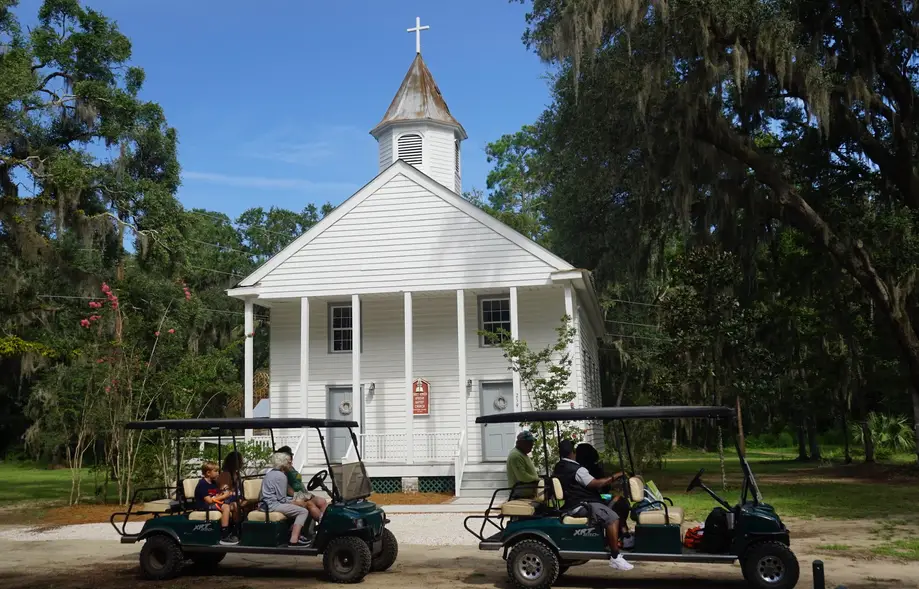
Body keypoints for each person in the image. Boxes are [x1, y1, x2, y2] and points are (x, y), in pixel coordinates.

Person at [553, 440, 633, 571]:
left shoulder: (559, 466)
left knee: (617, 503)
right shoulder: (578, 470)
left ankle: (619, 538)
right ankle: (615, 556)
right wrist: (616, 475)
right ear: (572, 453)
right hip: (581, 504)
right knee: (612, 517)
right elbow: (596, 484)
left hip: (572, 502)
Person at [576, 442, 633, 548]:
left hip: (600, 496)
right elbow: (601, 486)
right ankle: (623, 533)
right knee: (618, 500)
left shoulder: (589, 468)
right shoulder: (583, 471)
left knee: (619, 499)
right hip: (594, 497)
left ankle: (623, 532)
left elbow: (606, 488)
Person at [260, 452, 311, 546]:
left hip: (267, 503)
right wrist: (296, 502)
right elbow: (282, 499)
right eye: (288, 462)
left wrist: (298, 499)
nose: (290, 464)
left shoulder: (271, 473)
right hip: (272, 505)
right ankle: (294, 540)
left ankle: (294, 533)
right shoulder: (281, 476)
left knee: (302, 504)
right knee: (303, 511)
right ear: (283, 464)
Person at [277, 445, 328, 520]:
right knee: (310, 504)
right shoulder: (283, 472)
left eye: (291, 456)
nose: (291, 459)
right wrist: (305, 496)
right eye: (288, 457)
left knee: (322, 501)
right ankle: (322, 524)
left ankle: (324, 521)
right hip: (293, 497)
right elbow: (289, 490)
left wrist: (308, 494)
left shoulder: (292, 469)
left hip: (302, 495)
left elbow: (299, 483)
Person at [194, 460, 238, 544]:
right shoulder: (202, 484)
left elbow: (217, 494)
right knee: (226, 507)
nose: (218, 473)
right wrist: (224, 496)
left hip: (214, 503)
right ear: (208, 473)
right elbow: (209, 500)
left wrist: (225, 492)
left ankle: (234, 529)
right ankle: (224, 535)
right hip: (204, 505)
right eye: (216, 471)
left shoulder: (213, 483)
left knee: (235, 505)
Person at [506, 430, 540, 499]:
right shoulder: (515, 455)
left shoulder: (522, 453)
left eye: (532, 442)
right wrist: (537, 479)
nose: (532, 445)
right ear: (519, 443)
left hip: (526, 489)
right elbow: (522, 477)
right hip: (519, 492)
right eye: (528, 443)